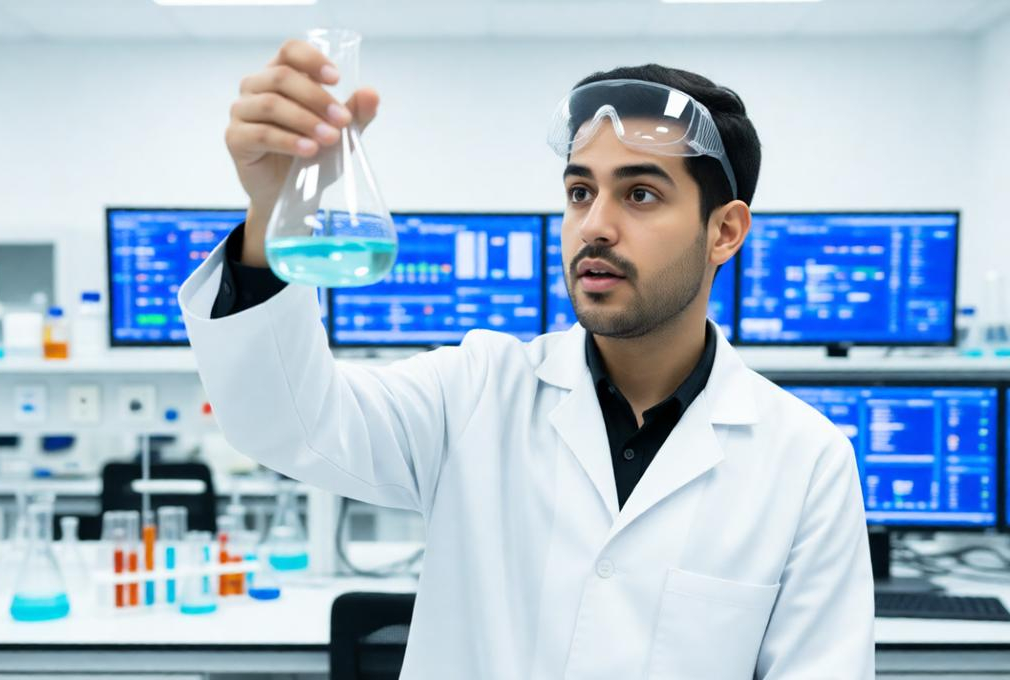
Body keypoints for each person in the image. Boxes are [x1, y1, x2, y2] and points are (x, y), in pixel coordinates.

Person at [179, 39, 874, 679]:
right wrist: (271, 211)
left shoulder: (805, 460)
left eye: (639, 194)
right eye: (580, 191)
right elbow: (287, 422)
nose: (594, 224)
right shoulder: (476, 390)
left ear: (724, 231)